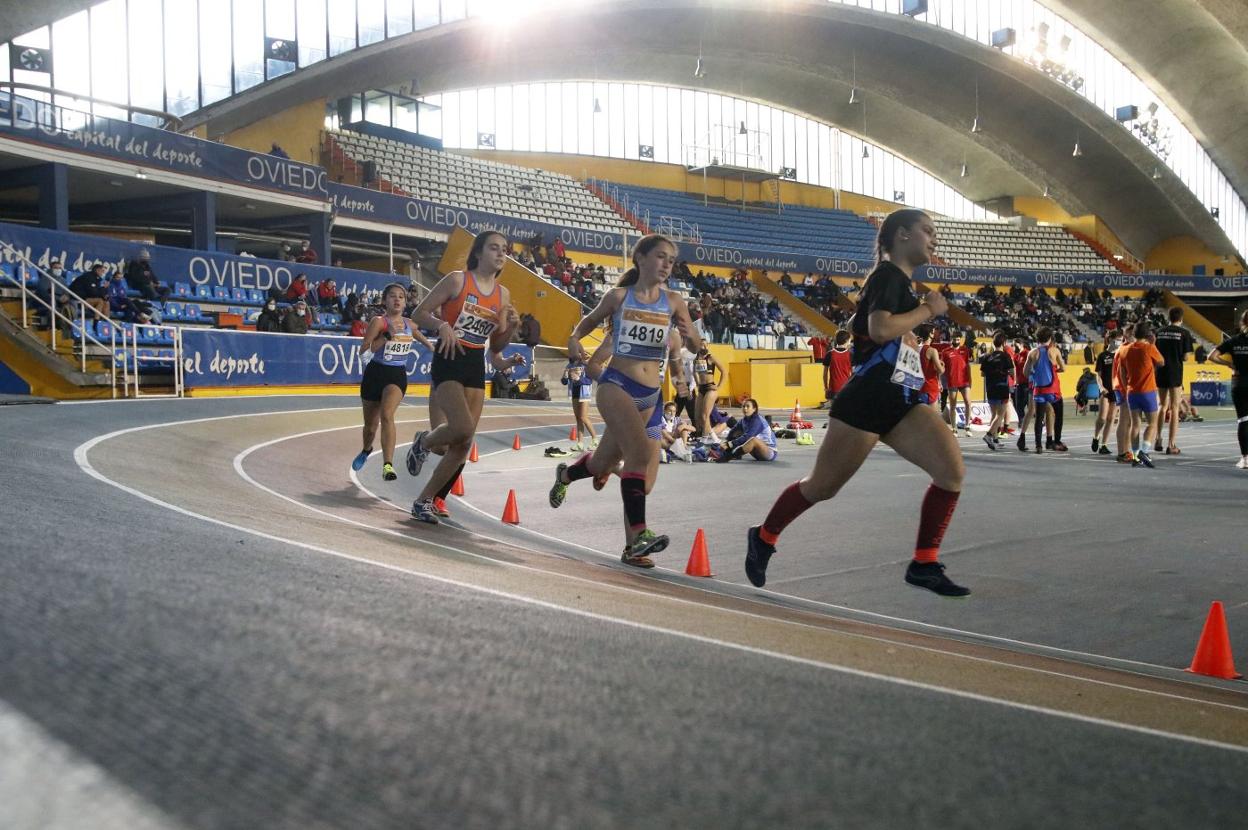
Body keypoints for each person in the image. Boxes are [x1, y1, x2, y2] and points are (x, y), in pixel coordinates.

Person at [745, 209, 969, 596]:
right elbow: (879, 329)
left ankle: (924, 562)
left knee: (951, 472)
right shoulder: (887, 276)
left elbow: (882, 334)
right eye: (927, 231)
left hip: (900, 398)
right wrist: (927, 311)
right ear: (901, 235)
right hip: (866, 400)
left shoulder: (902, 284)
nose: (934, 239)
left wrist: (912, 334)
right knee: (822, 487)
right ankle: (764, 536)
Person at [548, 234, 702, 566]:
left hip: (652, 400)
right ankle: (638, 539)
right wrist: (574, 340)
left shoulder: (674, 303)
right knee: (634, 455)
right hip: (617, 386)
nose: (666, 265)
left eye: (671, 261)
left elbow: (693, 348)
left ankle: (565, 476)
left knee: (620, 473)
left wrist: (692, 341)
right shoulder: (619, 298)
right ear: (641, 258)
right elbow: (585, 326)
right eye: (660, 257)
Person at [405, 231, 522, 523]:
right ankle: (424, 442)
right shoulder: (458, 280)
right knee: (460, 426)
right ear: (479, 253)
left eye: (504, 250)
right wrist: (441, 325)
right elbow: (419, 313)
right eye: (494, 248)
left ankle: (424, 501)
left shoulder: (503, 294)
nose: (500, 254)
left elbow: (495, 347)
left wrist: (509, 330)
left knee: (463, 442)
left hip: (474, 363)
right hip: (448, 358)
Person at [352, 283, 433, 481]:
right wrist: (387, 335)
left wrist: (431, 346)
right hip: (374, 374)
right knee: (370, 427)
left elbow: (415, 332)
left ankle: (388, 465)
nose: (397, 299)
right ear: (385, 300)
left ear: (405, 302)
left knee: (387, 415)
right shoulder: (378, 322)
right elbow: (363, 354)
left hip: (396, 376)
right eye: (392, 296)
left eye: (401, 297)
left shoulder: (409, 323)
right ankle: (366, 449)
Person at [1120, 321, 1165, 469]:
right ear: (1147, 335)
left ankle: (1135, 456)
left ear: (1133, 334)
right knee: (1152, 423)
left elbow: (1122, 372)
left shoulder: (1125, 350)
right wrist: (1153, 344)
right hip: (1148, 391)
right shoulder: (1148, 347)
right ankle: (1144, 452)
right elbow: (1161, 362)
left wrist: (1126, 386)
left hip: (1132, 392)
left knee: (1135, 424)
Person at [1207, 310, 1248, 468]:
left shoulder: (1234, 341)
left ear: (1242, 323)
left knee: (1243, 421)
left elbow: (1211, 356)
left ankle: (1245, 458)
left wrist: (1229, 364)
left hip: (1239, 383)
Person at [1153, 306, 1194, 454]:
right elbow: (1185, 357)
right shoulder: (1184, 333)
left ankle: (1158, 438)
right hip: (1175, 372)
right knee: (1175, 407)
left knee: (1162, 406)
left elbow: (1155, 352)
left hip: (1161, 371)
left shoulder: (1160, 332)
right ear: (1181, 318)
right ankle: (1171, 444)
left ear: (1169, 317)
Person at [1020, 327, 1066, 454]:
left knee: (1039, 417)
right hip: (1052, 390)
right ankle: (1056, 441)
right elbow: (1063, 368)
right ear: (1050, 338)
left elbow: (1025, 372)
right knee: (1059, 415)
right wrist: (1055, 370)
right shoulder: (1054, 351)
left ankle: (1038, 445)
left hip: (1039, 390)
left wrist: (1034, 373)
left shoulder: (1032, 353)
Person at [979, 332, 1015, 451]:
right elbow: (1012, 371)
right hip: (1002, 387)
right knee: (1001, 414)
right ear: (1004, 343)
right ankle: (989, 435)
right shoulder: (1005, 356)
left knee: (994, 414)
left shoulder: (987, 357)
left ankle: (994, 439)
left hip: (990, 388)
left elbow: (982, 373)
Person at [1092, 329, 1122, 455]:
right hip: (1105, 390)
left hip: (1117, 390)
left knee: (1111, 418)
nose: (1119, 342)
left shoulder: (1120, 355)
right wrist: (1101, 388)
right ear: (1110, 339)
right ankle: (1096, 436)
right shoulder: (1103, 356)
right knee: (1102, 418)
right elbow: (1098, 375)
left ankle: (1104, 444)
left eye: (1121, 339)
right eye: (1117, 339)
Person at [692, 344, 726, 442]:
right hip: (702, 388)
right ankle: (709, 438)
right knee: (697, 416)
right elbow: (695, 373)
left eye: (706, 345)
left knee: (704, 416)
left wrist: (718, 387)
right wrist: (698, 384)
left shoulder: (710, 358)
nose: (704, 346)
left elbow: (724, 371)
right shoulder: (696, 359)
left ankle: (707, 439)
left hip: (710, 387)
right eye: (702, 344)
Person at [561, 360, 597, 451]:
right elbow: (564, 382)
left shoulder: (586, 364)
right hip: (574, 393)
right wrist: (565, 375)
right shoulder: (570, 365)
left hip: (584, 393)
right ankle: (580, 443)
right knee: (578, 418)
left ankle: (595, 440)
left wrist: (578, 379)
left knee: (583, 417)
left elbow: (589, 381)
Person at [944, 331, 973, 437]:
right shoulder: (945, 352)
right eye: (954, 339)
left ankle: (967, 426)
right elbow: (942, 368)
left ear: (960, 339)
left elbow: (968, 366)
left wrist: (970, 379)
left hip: (964, 381)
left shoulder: (965, 350)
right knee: (952, 405)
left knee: (968, 403)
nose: (956, 341)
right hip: (952, 382)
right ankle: (954, 428)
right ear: (951, 339)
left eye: (958, 339)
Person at [825, 329, 853, 405]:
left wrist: (826, 387)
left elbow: (825, 373)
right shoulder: (850, 355)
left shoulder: (829, 354)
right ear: (847, 340)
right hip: (846, 388)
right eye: (850, 340)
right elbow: (853, 374)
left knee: (834, 412)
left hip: (833, 388)